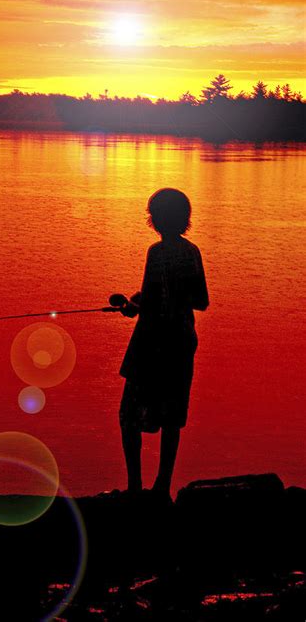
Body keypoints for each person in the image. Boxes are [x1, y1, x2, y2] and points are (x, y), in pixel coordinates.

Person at [117, 188, 209, 499]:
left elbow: (151, 299)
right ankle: (162, 488)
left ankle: (134, 488)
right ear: (185, 219)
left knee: (129, 415)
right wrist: (158, 299)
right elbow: (202, 301)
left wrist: (132, 306)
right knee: (172, 416)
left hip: (151, 341)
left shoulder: (156, 254)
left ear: (154, 219)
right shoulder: (192, 252)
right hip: (182, 341)